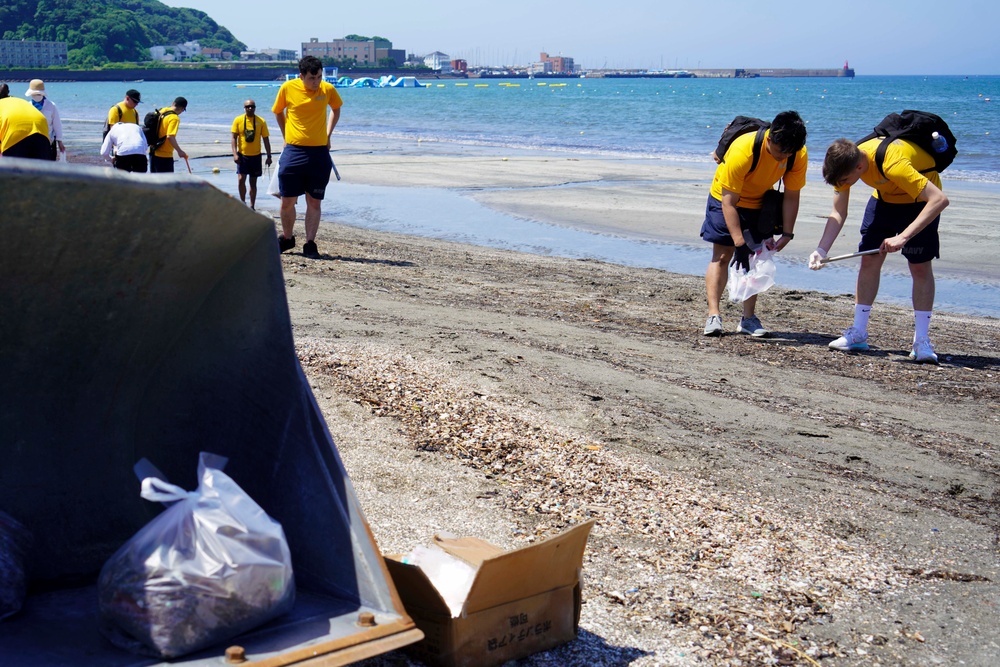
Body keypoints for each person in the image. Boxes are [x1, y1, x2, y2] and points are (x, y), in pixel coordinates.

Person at [809, 135, 950, 364]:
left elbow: (939, 200)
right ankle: (858, 334)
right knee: (870, 260)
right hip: (884, 200)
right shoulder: (844, 165)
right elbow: (838, 213)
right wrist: (821, 250)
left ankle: (921, 341)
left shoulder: (893, 163)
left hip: (921, 204)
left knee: (920, 268)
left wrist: (903, 237)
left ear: (860, 166)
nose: (842, 184)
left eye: (846, 180)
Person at [700, 111, 808, 337]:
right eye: (780, 151)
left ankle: (748, 319)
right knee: (722, 255)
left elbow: (791, 194)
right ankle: (713, 315)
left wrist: (787, 232)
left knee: (754, 257)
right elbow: (729, 202)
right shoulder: (743, 149)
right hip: (725, 197)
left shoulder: (797, 153)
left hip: (759, 202)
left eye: (789, 153)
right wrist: (739, 241)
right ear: (769, 139)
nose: (783, 157)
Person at [272, 55, 343, 258]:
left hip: (319, 152)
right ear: (301, 76)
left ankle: (310, 243)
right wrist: (286, 135)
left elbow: (336, 109)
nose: (316, 82)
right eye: (312, 78)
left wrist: (328, 134)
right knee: (287, 200)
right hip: (293, 151)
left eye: (319, 77)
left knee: (314, 201)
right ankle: (287, 238)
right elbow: (278, 112)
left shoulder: (327, 89)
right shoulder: (288, 88)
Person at [231, 99, 272, 209]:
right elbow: (234, 138)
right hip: (242, 156)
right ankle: (242, 203)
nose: (250, 108)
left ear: (255, 108)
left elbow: (266, 139)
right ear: (244, 108)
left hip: (256, 156)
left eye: (252, 106)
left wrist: (269, 156)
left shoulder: (261, 121)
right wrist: (235, 154)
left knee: (253, 183)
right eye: (248, 106)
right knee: (241, 179)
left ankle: (252, 206)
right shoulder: (238, 120)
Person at [24, 79, 64, 160]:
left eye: (38, 94)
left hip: (49, 141)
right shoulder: (27, 106)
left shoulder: (51, 105)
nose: (37, 95)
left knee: (49, 166)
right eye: (35, 94)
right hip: (32, 142)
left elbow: (57, 124)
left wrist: (60, 142)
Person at [149, 97, 189, 174]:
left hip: (153, 151)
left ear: (173, 103)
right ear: (182, 109)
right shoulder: (174, 118)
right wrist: (179, 151)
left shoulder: (162, 110)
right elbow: (170, 136)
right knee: (166, 183)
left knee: (155, 182)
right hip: (164, 155)